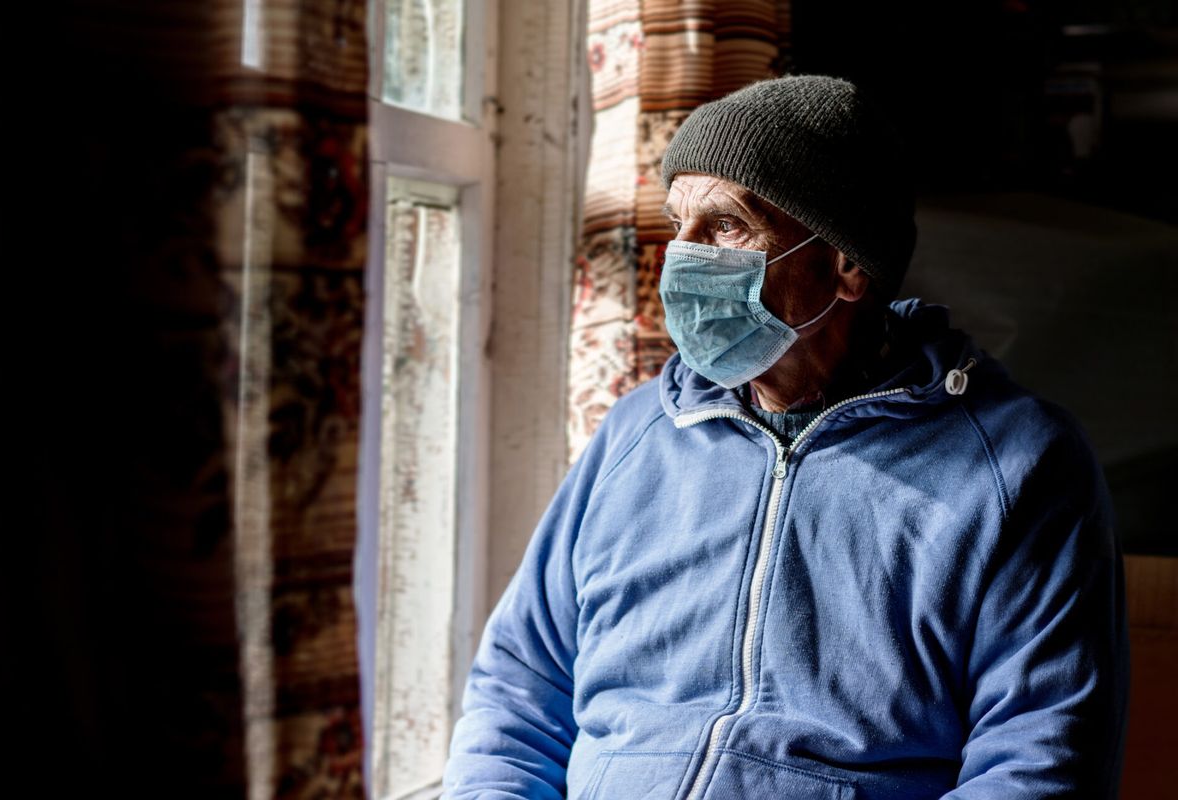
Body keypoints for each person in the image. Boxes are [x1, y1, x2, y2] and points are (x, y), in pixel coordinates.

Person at [443, 75, 1129, 799]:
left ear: (848, 264)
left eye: (727, 227)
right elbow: (519, 688)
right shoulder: (639, 432)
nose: (682, 257)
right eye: (676, 225)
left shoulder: (1019, 467)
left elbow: (1041, 765)